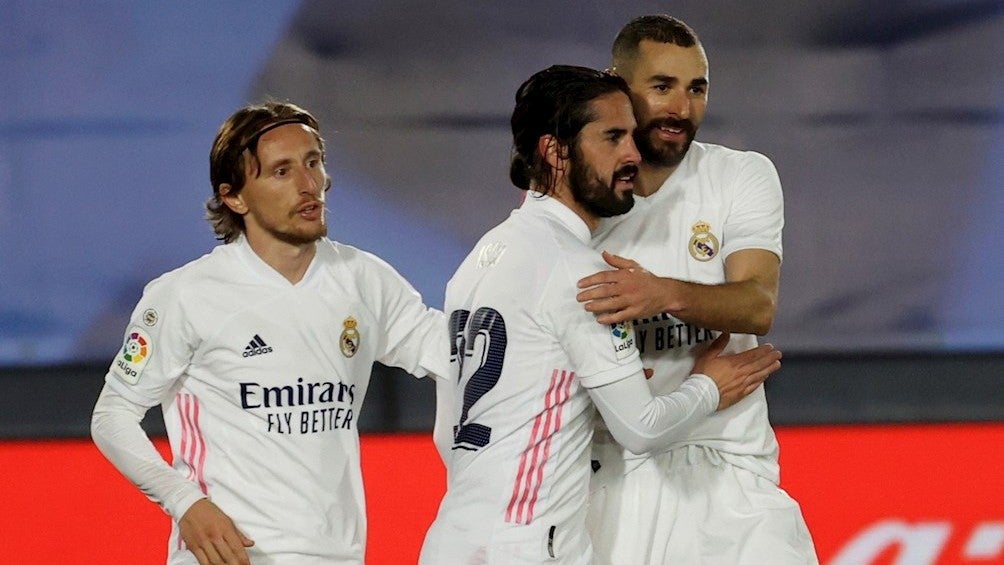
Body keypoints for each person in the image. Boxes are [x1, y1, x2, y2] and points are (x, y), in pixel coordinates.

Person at [419, 65, 782, 565]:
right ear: (554, 151)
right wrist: (709, 385)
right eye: (612, 137)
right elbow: (643, 429)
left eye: (632, 136)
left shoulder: (478, 260)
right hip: (529, 546)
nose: (633, 156)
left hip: (451, 538)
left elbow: (447, 432)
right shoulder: (578, 271)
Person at [90, 101, 447, 565]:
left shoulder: (362, 278)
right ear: (235, 197)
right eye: (281, 171)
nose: (308, 184)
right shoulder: (185, 294)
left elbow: (459, 352)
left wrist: (558, 307)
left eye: (313, 162)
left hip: (336, 556)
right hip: (227, 557)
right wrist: (185, 503)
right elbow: (113, 415)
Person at [575, 15, 818, 564]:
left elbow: (757, 303)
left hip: (728, 467)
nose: (682, 109)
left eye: (697, 88)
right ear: (618, 83)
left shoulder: (740, 176)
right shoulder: (581, 199)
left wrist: (660, 293)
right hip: (615, 475)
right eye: (662, 87)